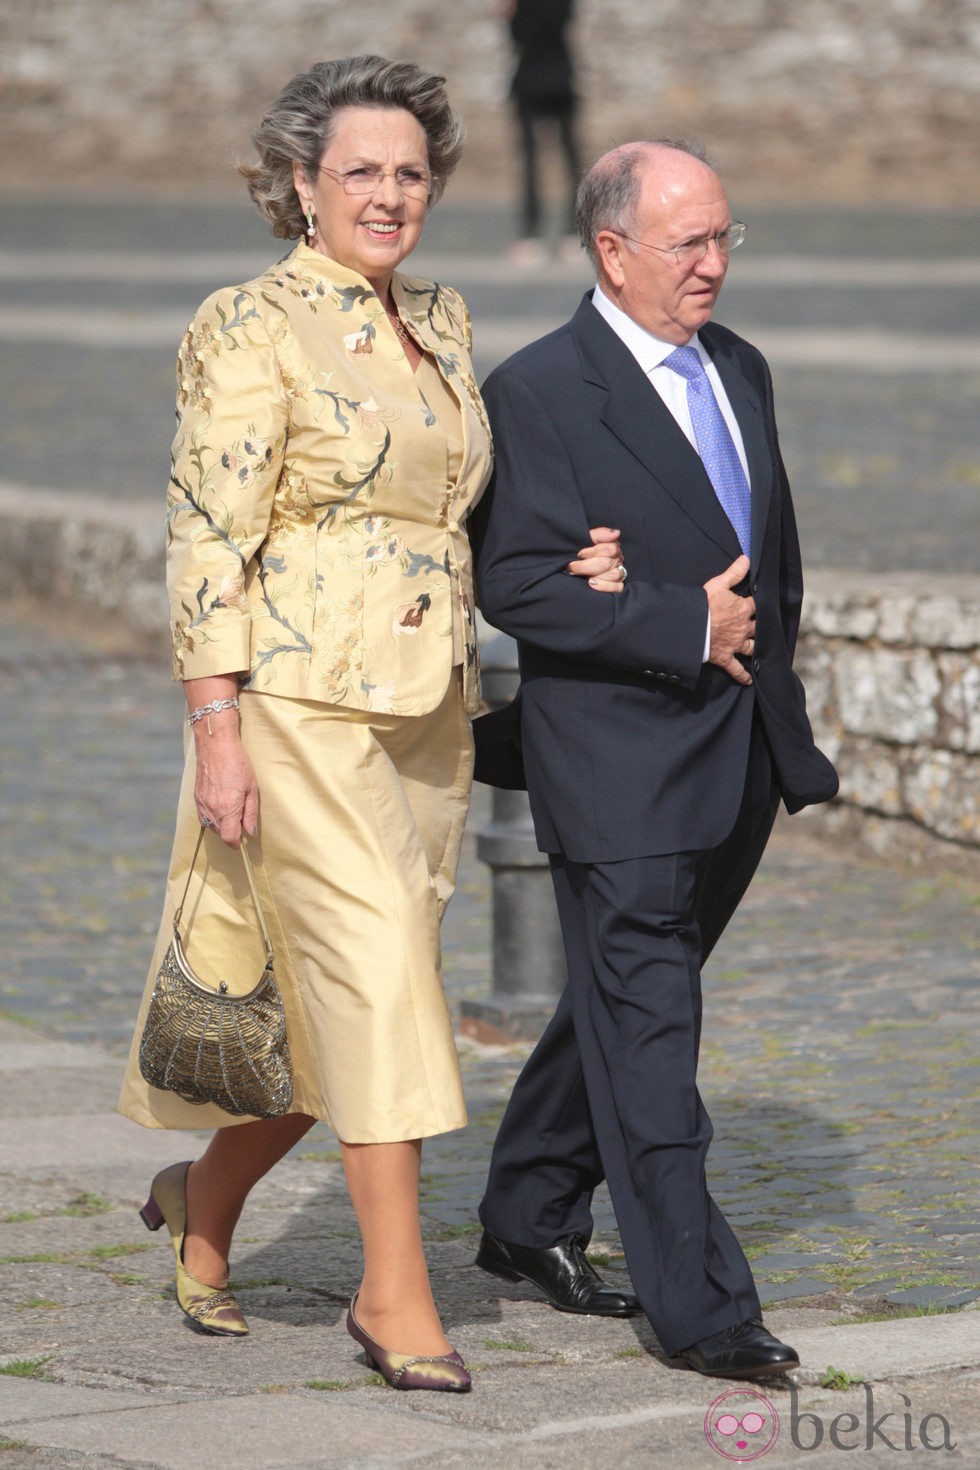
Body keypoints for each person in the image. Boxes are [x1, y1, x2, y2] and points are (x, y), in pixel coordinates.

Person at [117, 55, 623, 1394]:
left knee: (332, 1013)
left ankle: (197, 1198)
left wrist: (584, 565)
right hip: (294, 705)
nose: (389, 195)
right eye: (361, 171)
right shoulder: (248, 322)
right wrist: (216, 722)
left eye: (411, 172)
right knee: (391, 980)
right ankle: (392, 1294)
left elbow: (458, 504)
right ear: (301, 184)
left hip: (427, 713)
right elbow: (206, 536)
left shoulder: (445, 319)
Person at [469, 139, 839, 1380]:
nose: (713, 264)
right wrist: (679, 622)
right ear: (611, 250)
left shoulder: (741, 366)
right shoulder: (534, 391)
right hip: (616, 767)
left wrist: (766, 693)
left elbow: (768, 564)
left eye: (725, 236)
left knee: (618, 1009)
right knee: (653, 1035)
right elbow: (515, 579)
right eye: (687, 242)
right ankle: (699, 1307)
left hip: (736, 761)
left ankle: (523, 1213)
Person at [504, 0, 582, 264]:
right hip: (557, 75)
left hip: (535, 76)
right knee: (567, 157)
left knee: (536, 158)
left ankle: (533, 235)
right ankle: (567, 233)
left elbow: (517, 35)